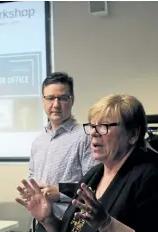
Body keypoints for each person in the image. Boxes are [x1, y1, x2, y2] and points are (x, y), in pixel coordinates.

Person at [16, 93, 158, 232]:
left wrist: (107, 224)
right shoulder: (93, 175)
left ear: (133, 134)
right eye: (92, 126)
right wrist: (48, 219)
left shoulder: (155, 177)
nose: (94, 133)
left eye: (104, 126)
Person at [28, 72, 97, 219]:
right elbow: (32, 178)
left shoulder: (85, 137)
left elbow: (94, 186)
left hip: (70, 221)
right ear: (43, 100)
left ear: (72, 100)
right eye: (50, 98)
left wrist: (61, 192)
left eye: (63, 98)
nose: (56, 105)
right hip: (40, 220)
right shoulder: (38, 141)